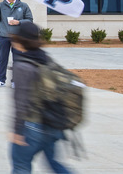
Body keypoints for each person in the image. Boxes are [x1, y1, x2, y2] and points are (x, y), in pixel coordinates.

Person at [9, 21, 73, 173]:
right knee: (55, 165)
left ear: (19, 40)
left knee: (20, 166)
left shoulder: (22, 65)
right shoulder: (45, 58)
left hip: (32, 127)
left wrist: (17, 132)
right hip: (52, 125)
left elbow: (21, 103)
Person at [0, 0, 34, 87]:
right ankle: (1, 80)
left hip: (18, 38)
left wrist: (18, 22)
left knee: (18, 59)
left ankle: (15, 81)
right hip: (3, 37)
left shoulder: (23, 6)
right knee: (3, 59)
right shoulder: (0, 6)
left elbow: (30, 20)